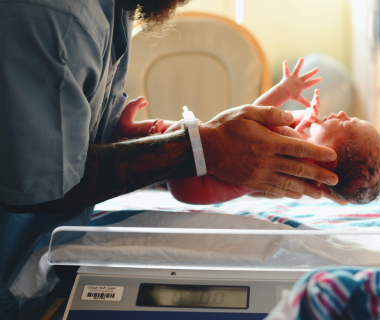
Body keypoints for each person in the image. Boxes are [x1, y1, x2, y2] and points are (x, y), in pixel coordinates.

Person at [0, 0, 340, 317]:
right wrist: (198, 146)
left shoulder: (114, 12)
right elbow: (50, 183)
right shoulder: (60, 20)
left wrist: (124, 136)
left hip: (44, 260)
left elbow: (65, 139)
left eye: (346, 124)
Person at [118, 59, 380, 205]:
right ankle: (134, 132)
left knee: (183, 129)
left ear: (328, 159)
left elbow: (252, 119)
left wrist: (286, 90)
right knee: (182, 130)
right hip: (194, 187)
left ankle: (129, 131)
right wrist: (307, 122)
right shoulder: (304, 166)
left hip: (196, 180)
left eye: (345, 123)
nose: (341, 113)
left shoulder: (293, 148)